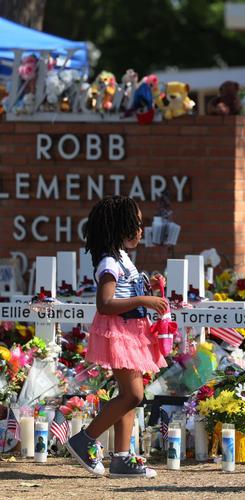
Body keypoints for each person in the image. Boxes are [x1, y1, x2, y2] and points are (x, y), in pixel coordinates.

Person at [66, 196, 168, 478]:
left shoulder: (122, 258)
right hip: (120, 332)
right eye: (135, 224)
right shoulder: (109, 261)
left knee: (130, 396)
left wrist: (151, 285)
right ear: (119, 227)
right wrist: (144, 300)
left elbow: (129, 290)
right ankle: (84, 439)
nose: (140, 230)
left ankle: (122, 458)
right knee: (133, 395)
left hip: (132, 331)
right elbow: (105, 303)